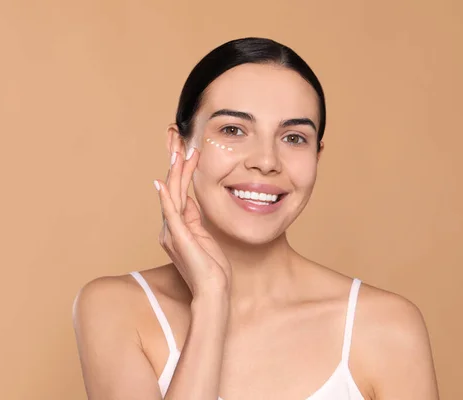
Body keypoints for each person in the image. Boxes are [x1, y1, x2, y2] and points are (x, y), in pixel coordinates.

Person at [72, 37, 439, 399]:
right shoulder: (116, 309)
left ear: (317, 155)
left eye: (294, 138)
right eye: (232, 130)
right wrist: (212, 299)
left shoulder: (386, 326)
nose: (266, 161)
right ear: (180, 146)